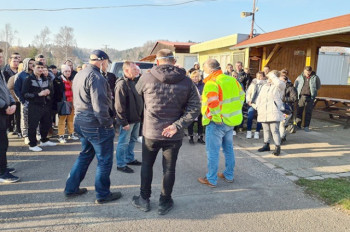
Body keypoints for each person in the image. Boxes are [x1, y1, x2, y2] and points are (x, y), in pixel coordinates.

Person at [132, 49, 200, 215]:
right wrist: (177, 125)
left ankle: (144, 199)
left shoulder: (146, 77)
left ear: (157, 61)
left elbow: (137, 97)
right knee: (169, 169)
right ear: (174, 61)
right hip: (173, 133)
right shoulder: (186, 81)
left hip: (151, 131)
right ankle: (164, 201)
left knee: (147, 165)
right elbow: (195, 107)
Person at [64, 50, 121, 204]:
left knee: (85, 154)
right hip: (95, 123)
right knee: (104, 160)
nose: (107, 66)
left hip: (81, 121)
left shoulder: (80, 74)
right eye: (107, 63)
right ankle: (103, 194)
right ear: (102, 61)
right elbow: (99, 106)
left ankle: (71, 188)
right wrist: (108, 123)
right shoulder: (97, 77)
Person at [197, 58, 245, 188]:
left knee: (213, 152)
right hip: (231, 121)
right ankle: (229, 175)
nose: (203, 72)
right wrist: (233, 111)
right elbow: (242, 96)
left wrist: (217, 118)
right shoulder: (233, 80)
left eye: (204, 69)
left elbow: (213, 103)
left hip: (217, 123)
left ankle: (211, 179)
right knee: (228, 149)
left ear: (210, 70)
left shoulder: (212, 83)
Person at [114, 61, 143, 173]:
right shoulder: (121, 84)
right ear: (126, 71)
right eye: (134, 69)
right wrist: (123, 122)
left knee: (133, 140)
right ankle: (121, 164)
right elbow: (119, 105)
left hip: (136, 118)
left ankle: (129, 158)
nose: (137, 71)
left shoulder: (136, 82)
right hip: (128, 121)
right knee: (123, 142)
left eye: (137, 69)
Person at [22, 61, 57, 152]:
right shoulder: (28, 79)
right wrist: (38, 94)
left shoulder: (45, 78)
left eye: (42, 68)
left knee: (46, 123)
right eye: (38, 67)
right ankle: (32, 144)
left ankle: (44, 140)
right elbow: (25, 94)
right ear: (33, 68)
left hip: (45, 105)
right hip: (34, 105)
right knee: (33, 125)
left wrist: (49, 92)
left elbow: (50, 90)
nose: (41, 69)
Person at [0, 48, 20, 183]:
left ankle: (3, 167)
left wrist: (12, 102)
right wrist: (5, 106)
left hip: (4, 112)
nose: (1, 59)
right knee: (1, 143)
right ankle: (2, 173)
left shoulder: (0, 72)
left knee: (4, 142)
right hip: (2, 110)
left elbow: (6, 90)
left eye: (1, 57)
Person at [255, 70, 286, 156]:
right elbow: (259, 97)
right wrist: (257, 106)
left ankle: (277, 147)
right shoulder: (265, 86)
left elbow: (279, 83)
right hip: (264, 111)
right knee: (266, 129)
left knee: (274, 130)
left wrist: (272, 75)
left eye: (270, 77)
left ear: (274, 77)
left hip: (274, 111)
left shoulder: (280, 85)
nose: (268, 78)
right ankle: (266, 145)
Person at [53, 65, 78, 143]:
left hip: (72, 102)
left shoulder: (71, 79)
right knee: (62, 120)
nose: (68, 73)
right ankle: (61, 135)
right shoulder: (57, 79)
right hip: (63, 102)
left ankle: (71, 133)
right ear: (62, 71)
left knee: (71, 119)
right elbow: (56, 92)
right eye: (66, 71)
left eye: (69, 71)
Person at [14, 58, 35, 144]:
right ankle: (26, 136)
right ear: (26, 64)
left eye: (33, 63)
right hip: (25, 101)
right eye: (30, 63)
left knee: (35, 119)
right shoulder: (20, 75)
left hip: (35, 101)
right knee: (25, 119)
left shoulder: (36, 74)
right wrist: (22, 100)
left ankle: (36, 134)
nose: (32, 65)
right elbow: (16, 89)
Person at [294, 66, 321, 132]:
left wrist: (313, 92)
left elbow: (318, 86)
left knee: (308, 112)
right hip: (301, 97)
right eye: (306, 72)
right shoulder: (299, 77)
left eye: (309, 72)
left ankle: (306, 126)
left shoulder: (315, 77)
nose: (307, 74)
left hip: (310, 97)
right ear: (304, 71)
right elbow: (295, 85)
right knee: (299, 111)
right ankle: (298, 125)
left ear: (311, 71)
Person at [245, 71, 267, 139]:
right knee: (250, 116)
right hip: (253, 103)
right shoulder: (253, 83)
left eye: (260, 76)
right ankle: (249, 131)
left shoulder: (266, 85)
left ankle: (257, 132)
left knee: (259, 119)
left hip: (261, 104)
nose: (259, 78)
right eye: (258, 76)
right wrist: (248, 100)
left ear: (263, 77)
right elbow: (248, 93)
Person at [187, 70, 205, 144]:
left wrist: (202, 96)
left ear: (199, 77)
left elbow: (206, 93)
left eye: (197, 76)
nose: (195, 78)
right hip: (191, 106)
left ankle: (200, 137)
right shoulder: (189, 84)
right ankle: (191, 137)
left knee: (200, 123)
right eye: (193, 77)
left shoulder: (203, 84)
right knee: (190, 122)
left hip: (201, 106)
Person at [279, 74, 297, 143]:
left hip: (287, 110)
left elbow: (294, 98)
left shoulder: (291, 88)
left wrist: (284, 99)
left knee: (282, 123)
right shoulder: (278, 87)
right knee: (281, 123)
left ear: (286, 81)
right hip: (279, 108)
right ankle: (283, 135)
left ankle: (281, 138)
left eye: (282, 80)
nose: (280, 82)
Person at [7, 63, 24, 137]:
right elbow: (10, 88)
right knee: (18, 117)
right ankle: (18, 130)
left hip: (25, 100)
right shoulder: (13, 77)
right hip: (16, 101)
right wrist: (16, 98)